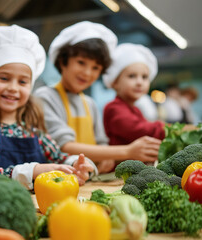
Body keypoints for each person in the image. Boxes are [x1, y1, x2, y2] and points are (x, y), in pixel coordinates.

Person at [0, 25, 95, 190]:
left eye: (22, 82)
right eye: (4, 78)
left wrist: (76, 164)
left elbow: (58, 157)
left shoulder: (32, 129)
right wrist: (33, 171)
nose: (13, 88)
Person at [34, 21, 162, 173]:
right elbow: (65, 146)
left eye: (95, 67)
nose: (88, 73)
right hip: (56, 178)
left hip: (86, 178)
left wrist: (105, 159)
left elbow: (101, 144)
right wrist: (127, 151)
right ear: (63, 61)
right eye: (81, 63)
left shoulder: (89, 104)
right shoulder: (45, 97)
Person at [102, 43, 165, 145]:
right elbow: (141, 130)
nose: (139, 82)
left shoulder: (135, 110)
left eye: (144, 77)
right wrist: (173, 129)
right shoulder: (113, 108)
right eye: (132, 76)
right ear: (115, 82)